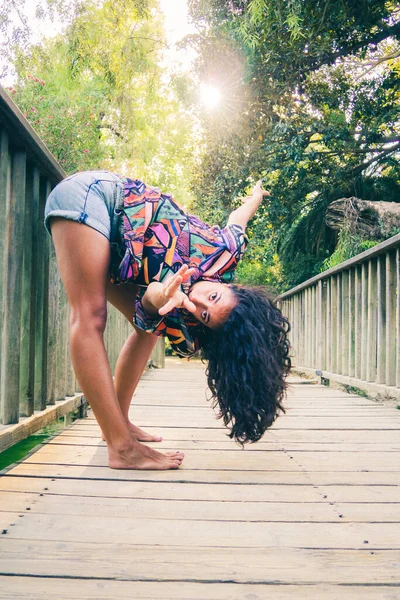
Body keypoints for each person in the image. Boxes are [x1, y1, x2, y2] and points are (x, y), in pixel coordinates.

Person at [44, 171, 291, 470]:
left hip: (117, 247)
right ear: (231, 287)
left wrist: (162, 298)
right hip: (95, 197)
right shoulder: (225, 253)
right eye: (213, 298)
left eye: (203, 315)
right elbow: (238, 219)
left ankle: (118, 425)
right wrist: (255, 197)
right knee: (90, 316)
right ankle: (121, 446)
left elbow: (150, 302)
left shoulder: (185, 328)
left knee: (146, 331)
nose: (198, 300)